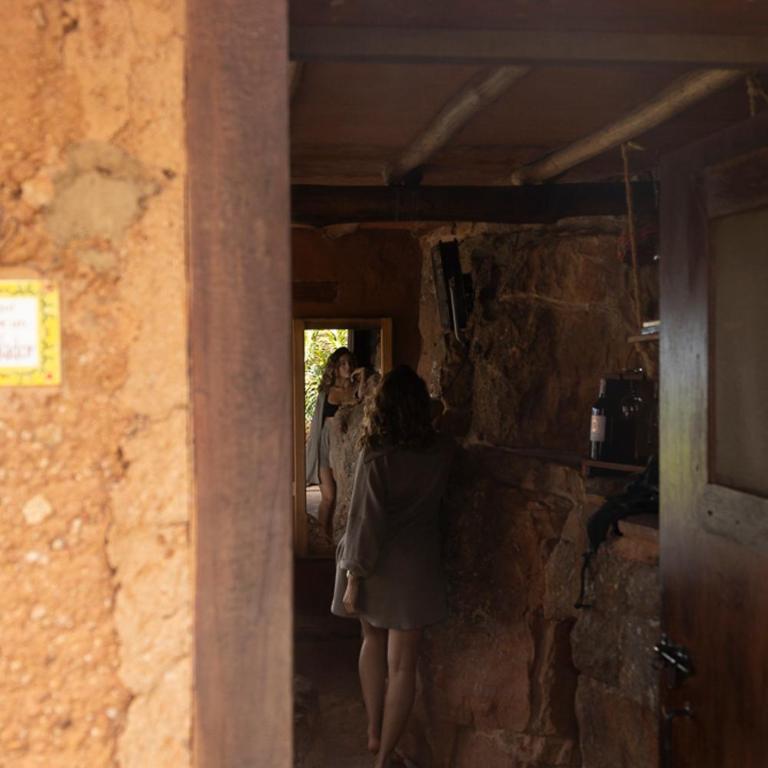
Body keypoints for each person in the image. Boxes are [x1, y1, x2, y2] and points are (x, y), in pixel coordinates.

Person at [331, 365, 454, 768]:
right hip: (418, 569)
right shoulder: (440, 451)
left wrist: (353, 576)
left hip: (377, 566)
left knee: (372, 642)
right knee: (403, 668)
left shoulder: (377, 455)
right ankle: (385, 756)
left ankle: (371, 729)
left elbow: (364, 521)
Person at [306, 347, 358, 541]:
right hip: (326, 445)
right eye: (342, 364)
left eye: (350, 363)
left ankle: (339, 539)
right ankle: (322, 537)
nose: (347, 367)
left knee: (344, 496)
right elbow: (317, 424)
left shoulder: (357, 389)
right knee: (329, 496)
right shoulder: (326, 392)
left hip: (346, 444)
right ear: (335, 368)